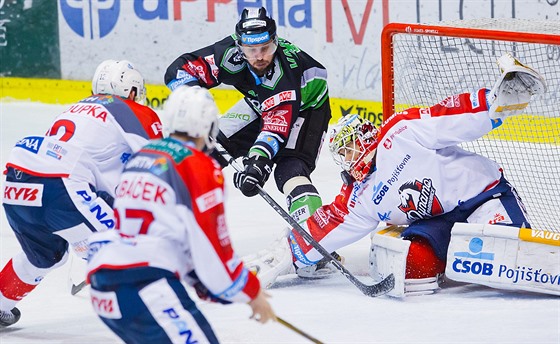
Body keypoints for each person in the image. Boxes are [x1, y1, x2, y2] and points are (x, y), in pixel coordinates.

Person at [247, 53, 553, 296]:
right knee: (411, 268)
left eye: (351, 147)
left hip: (481, 196)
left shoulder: (402, 132)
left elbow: (448, 117)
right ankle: (459, 258)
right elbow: (329, 226)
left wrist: (493, 103)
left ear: (366, 136)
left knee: (512, 261)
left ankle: (473, 254)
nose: (349, 158)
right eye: (343, 155)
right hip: (438, 222)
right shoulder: (361, 196)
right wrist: (285, 255)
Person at [86, 85, 276, 343]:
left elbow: (171, 238)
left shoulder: (143, 155)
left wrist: (205, 285)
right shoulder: (200, 166)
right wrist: (250, 292)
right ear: (208, 125)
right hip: (145, 282)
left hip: (103, 280)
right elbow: (211, 247)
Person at [164, 8, 335, 275]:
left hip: (307, 107)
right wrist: (199, 103)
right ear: (239, 45)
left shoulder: (284, 77)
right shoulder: (228, 55)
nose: (259, 56)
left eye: (265, 48)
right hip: (260, 103)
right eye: (251, 49)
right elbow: (178, 71)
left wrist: (257, 166)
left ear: (275, 42)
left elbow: (274, 130)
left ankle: (317, 244)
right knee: (205, 155)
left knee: (290, 171)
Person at [0, 60, 163, 327]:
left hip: (17, 181)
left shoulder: (73, 109)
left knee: (43, 257)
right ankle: (148, 318)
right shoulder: (131, 110)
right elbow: (162, 164)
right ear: (131, 91)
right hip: (61, 186)